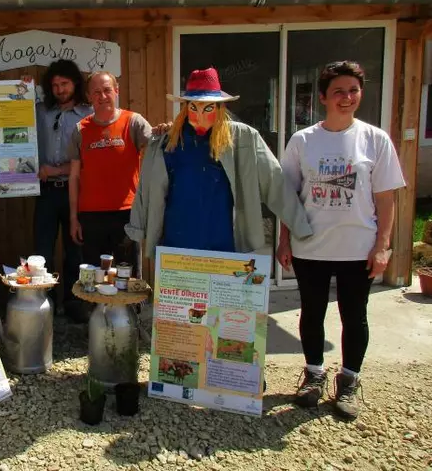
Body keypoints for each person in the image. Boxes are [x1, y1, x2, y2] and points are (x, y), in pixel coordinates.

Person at [278, 60, 405, 420]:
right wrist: (284, 240)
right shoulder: (303, 141)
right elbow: (288, 195)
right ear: (323, 98)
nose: (346, 98)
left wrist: (383, 245)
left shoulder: (375, 139)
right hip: (310, 246)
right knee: (312, 313)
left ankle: (348, 380)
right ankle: (314, 375)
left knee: (355, 316)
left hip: (358, 249)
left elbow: (385, 197)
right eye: (338, 92)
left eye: (353, 90)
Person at [127, 66, 312, 261]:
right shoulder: (166, 142)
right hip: (177, 246)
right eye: (193, 107)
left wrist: (300, 226)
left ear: (219, 107)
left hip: (225, 246)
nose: (200, 115)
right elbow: (146, 189)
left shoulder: (243, 138)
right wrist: (137, 230)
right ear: (185, 107)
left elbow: (275, 181)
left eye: (208, 108)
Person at [69, 71, 152, 276]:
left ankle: (130, 310)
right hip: (90, 218)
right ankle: (97, 310)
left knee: (128, 279)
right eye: (96, 92)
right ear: (89, 96)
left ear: (116, 91)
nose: (102, 96)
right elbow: (74, 177)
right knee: (95, 280)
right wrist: (73, 218)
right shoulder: (80, 129)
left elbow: (159, 151)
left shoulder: (134, 122)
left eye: (107, 90)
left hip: (127, 215)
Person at [34, 60, 93, 320]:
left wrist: (55, 170)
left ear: (76, 83)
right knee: (42, 250)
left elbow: (90, 159)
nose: (59, 89)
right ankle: (42, 303)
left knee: (76, 251)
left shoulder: (90, 115)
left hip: (77, 191)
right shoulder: (41, 111)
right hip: (46, 191)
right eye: (54, 85)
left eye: (64, 83)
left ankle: (74, 304)